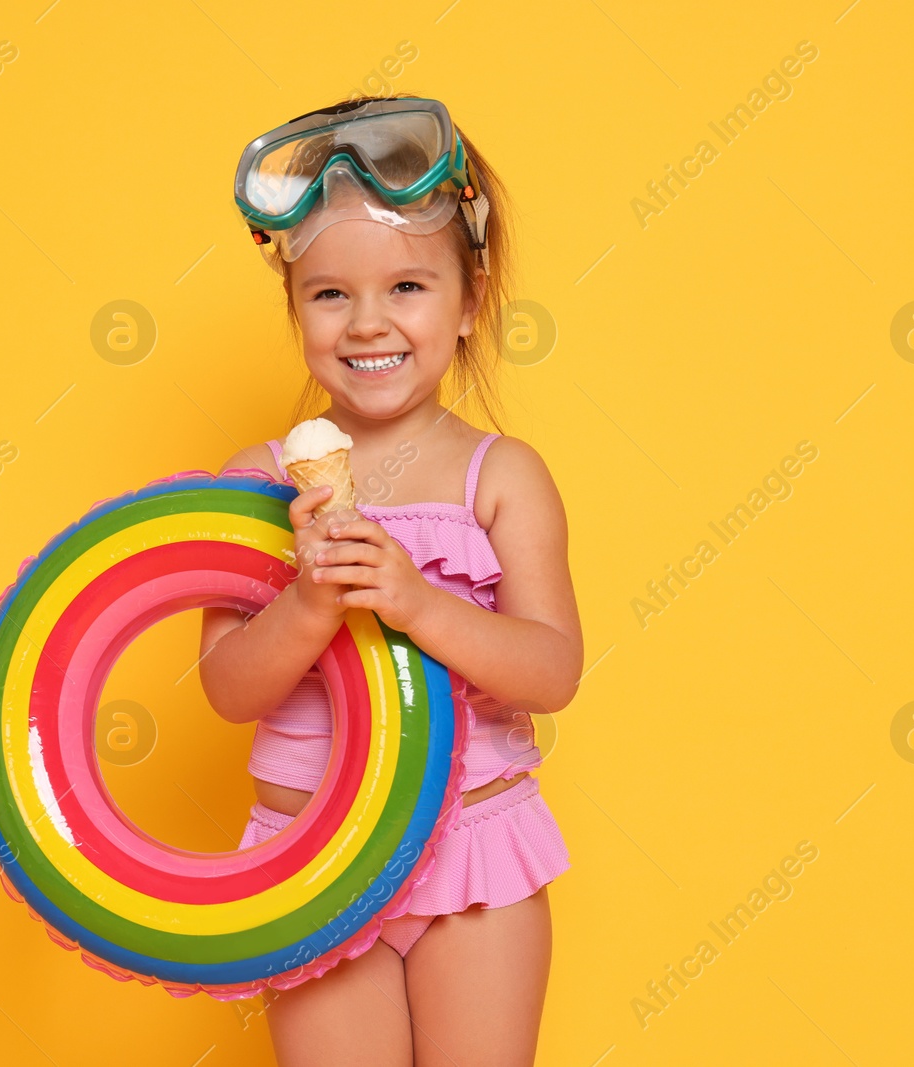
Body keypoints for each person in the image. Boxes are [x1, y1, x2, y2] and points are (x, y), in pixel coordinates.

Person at [197, 94, 583, 1067]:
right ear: (293, 309)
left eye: (407, 286)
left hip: (472, 853)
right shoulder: (257, 481)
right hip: (312, 857)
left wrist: (415, 601)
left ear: (467, 300)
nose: (368, 321)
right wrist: (308, 601)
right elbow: (225, 686)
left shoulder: (500, 476)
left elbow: (551, 669)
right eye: (329, 294)